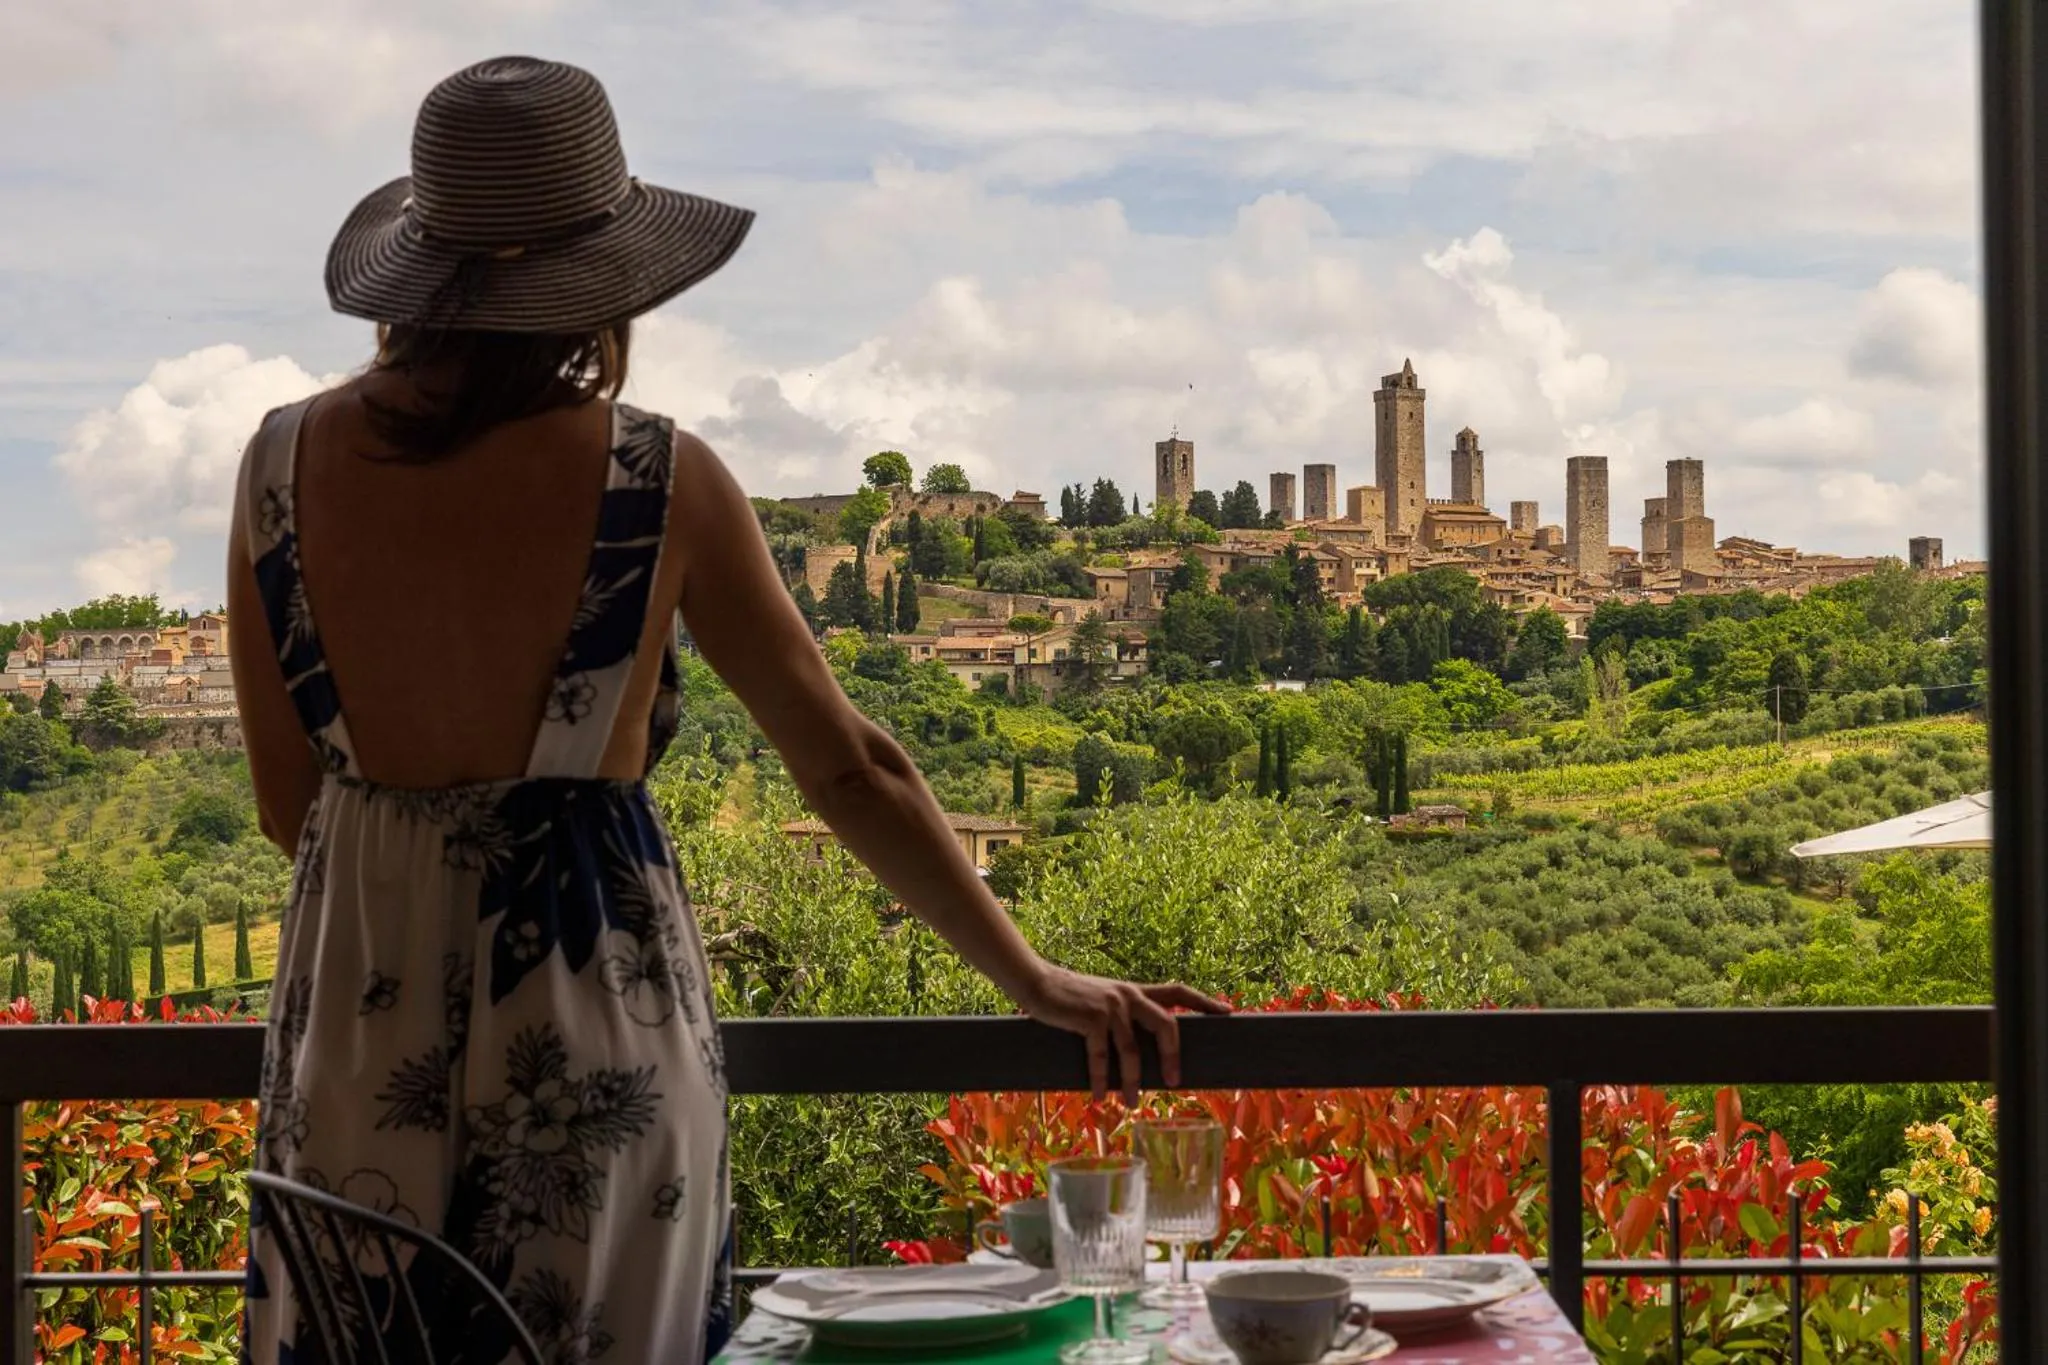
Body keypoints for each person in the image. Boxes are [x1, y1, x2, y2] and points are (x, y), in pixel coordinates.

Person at [229, 56, 1226, 1363]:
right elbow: (852, 769)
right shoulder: (660, 479)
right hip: (594, 1041)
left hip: (357, 1037)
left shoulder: (280, 465)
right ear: (600, 282)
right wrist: (1028, 977)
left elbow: (286, 803)